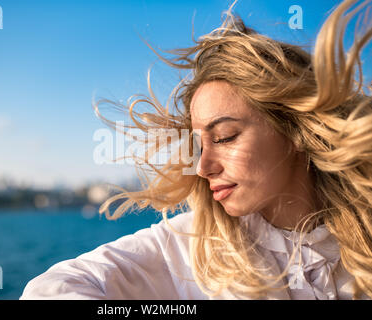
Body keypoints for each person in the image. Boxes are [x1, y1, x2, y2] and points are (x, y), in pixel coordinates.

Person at [21, 0, 372, 300]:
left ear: (294, 129)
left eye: (224, 137)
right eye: (197, 145)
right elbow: (50, 289)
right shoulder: (192, 246)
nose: (202, 167)